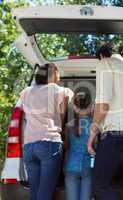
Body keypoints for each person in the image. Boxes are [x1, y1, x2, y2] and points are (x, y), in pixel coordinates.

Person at [87, 44, 123, 200]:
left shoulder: (105, 63)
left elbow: (103, 103)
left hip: (115, 133)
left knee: (99, 185)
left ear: (101, 56)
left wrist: (92, 134)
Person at [20, 63, 73, 200]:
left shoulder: (26, 92)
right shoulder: (59, 90)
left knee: (35, 192)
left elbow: (24, 114)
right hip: (49, 142)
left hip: (28, 146)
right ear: (53, 74)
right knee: (45, 192)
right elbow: (63, 113)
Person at [64, 91, 94, 200]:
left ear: (75, 108)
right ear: (91, 106)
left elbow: (66, 147)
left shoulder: (68, 126)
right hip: (88, 168)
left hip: (71, 167)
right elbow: (96, 148)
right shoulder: (95, 126)